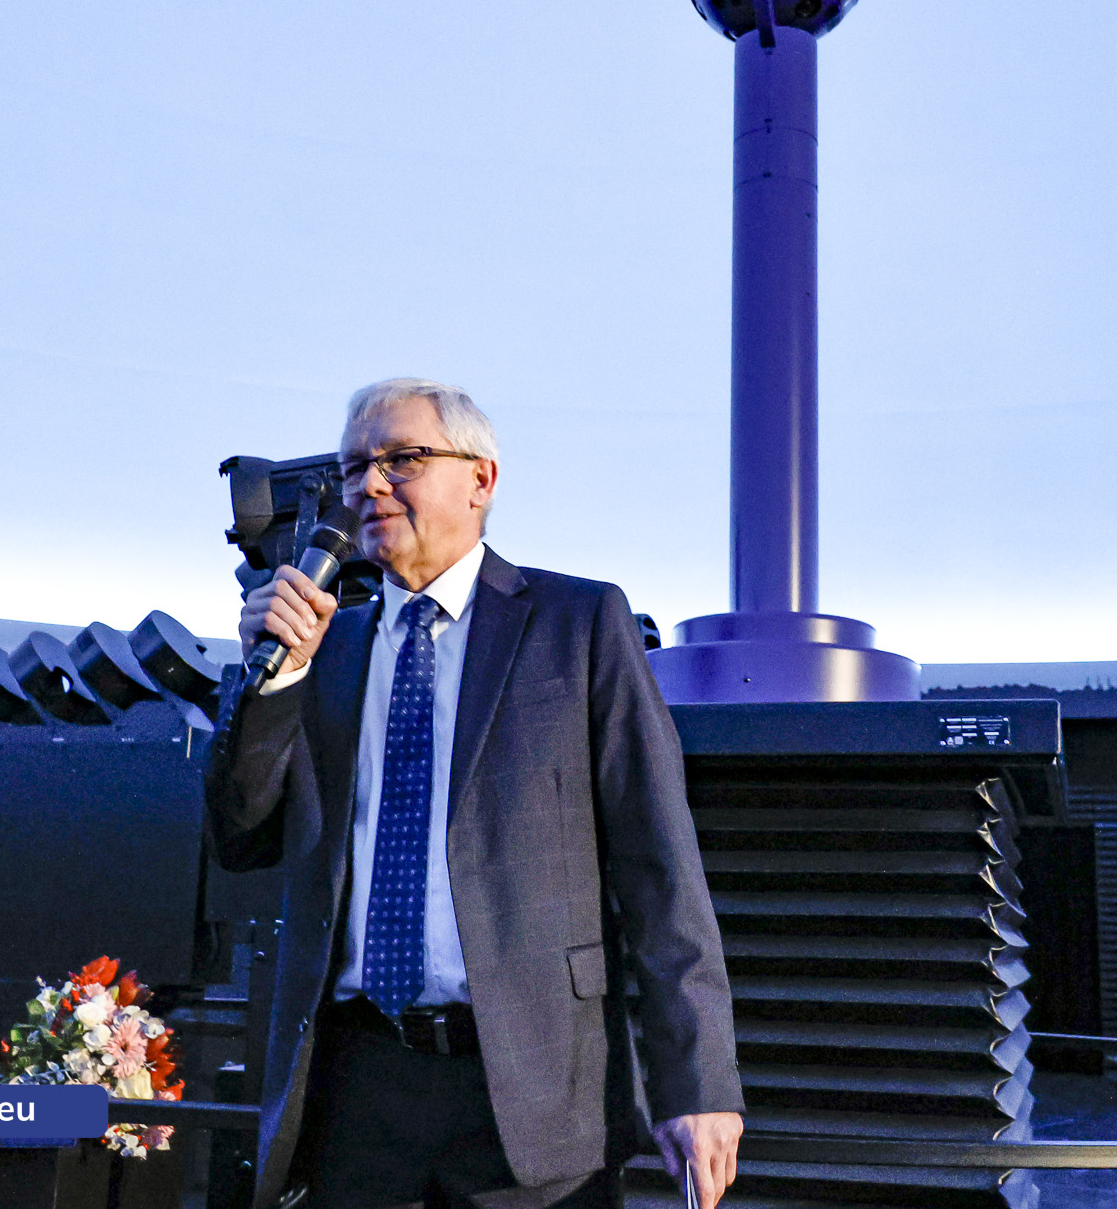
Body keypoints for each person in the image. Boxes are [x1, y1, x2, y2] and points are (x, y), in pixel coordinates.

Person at [207, 379, 742, 1209]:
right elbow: (241, 835)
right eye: (354, 467)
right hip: (356, 1089)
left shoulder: (578, 622)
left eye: (403, 458)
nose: (369, 484)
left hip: (531, 1091)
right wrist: (275, 682)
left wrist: (698, 1082)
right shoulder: (322, 650)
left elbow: (659, 866)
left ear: (480, 480)